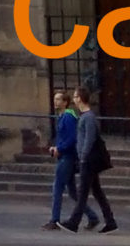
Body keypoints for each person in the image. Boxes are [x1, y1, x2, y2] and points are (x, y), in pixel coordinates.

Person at [67, 85, 116, 235]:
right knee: (97, 192)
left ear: (80, 98)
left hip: (87, 161)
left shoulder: (88, 117)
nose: (74, 99)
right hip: (86, 160)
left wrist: (83, 156)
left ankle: (73, 223)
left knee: (82, 193)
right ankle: (110, 222)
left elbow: (89, 139)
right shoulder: (85, 116)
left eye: (75, 97)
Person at [48, 90, 79, 230]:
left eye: (59, 99)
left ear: (65, 102)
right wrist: (56, 147)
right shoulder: (61, 116)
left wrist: (60, 148)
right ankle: (92, 216)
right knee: (72, 192)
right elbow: (63, 137)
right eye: (55, 99)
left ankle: (54, 220)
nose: (56, 102)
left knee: (58, 187)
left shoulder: (68, 117)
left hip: (67, 157)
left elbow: (72, 138)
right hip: (64, 155)